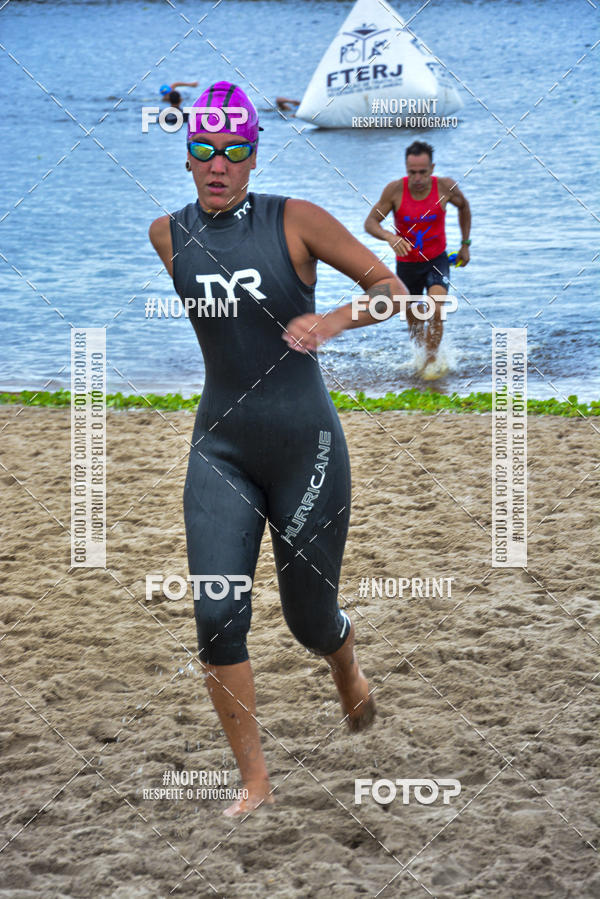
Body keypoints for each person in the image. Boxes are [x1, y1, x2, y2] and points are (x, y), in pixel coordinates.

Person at [149, 81, 408, 818]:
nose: (218, 165)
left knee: (308, 618)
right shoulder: (166, 235)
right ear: (189, 156)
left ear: (255, 157)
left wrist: (330, 321)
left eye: (233, 151)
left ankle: (346, 665)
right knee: (217, 612)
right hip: (220, 446)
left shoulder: (297, 220)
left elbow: (393, 290)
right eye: (204, 150)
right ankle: (255, 782)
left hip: (307, 447)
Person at [364, 140, 471, 372]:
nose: (418, 178)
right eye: (412, 172)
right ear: (406, 169)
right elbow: (370, 223)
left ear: (432, 168)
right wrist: (389, 238)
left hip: (436, 261)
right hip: (407, 265)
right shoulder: (394, 191)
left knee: (436, 308)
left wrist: (465, 245)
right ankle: (421, 359)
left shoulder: (445, 188)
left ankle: (432, 363)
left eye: (423, 172)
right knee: (413, 320)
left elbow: (464, 206)